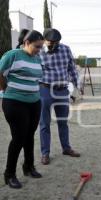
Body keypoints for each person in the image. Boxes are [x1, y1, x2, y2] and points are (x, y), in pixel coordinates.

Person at [0, 30, 44, 189]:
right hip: (15, 102)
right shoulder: (12, 55)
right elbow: (0, 72)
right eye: (37, 46)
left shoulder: (37, 58)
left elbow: (37, 77)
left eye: (41, 47)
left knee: (30, 135)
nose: (39, 50)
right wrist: (5, 88)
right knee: (18, 137)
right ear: (26, 42)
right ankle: (9, 174)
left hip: (34, 101)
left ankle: (29, 167)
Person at [39, 28, 80, 165]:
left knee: (63, 122)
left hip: (62, 91)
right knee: (44, 123)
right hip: (45, 89)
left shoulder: (66, 49)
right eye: (51, 43)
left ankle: (66, 148)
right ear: (44, 40)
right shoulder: (38, 51)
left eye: (56, 43)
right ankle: (45, 153)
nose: (54, 46)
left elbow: (72, 68)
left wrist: (77, 85)